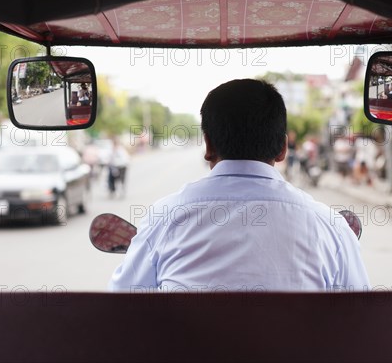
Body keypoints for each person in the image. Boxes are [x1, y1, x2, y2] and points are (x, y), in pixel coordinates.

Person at [109, 79, 369, 292]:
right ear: (282, 148)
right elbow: (360, 320)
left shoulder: (164, 218)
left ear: (208, 146)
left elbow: (122, 308)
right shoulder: (331, 227)